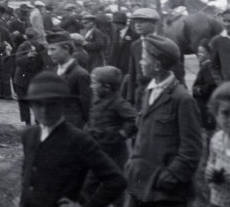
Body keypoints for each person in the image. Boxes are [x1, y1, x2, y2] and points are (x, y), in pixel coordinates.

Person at [19, 72, 127, 207]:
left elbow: (116, 179)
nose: (44, 111)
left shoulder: (78, 140)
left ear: (64, 104)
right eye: (38, 104)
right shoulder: (29, 134)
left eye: (52, 104)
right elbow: (28, 172)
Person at [124, 34, 202, 207]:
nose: (140, 62)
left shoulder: (182, 99)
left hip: (165, 192)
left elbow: (192, 148)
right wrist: (132, 163)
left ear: (157, 65)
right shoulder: (149, 91)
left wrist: (171, 176)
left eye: (144, 58)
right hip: (140, 183)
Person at [84, 66, 137, 205]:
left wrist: (123, 133)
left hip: (114, 154)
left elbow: (134, 119)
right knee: (88, 186)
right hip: (97, 151)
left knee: (115, 187)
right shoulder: (96, 99)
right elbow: (92, 120)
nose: (91, 86)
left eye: (94, 83)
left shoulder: (119, 103)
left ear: (106, 87)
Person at [123, 8, 186, 111]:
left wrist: (181, 90)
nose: (137, 25)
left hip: (162, 92)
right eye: (136, 22)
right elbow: (132, 74)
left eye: (142, 22)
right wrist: (130, 98)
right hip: (141, 95)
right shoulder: (135, 45)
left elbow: (178, 71)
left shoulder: (166, 44)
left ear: (154, 24)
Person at [46, 30, 92, 128]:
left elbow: (87, 107)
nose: (49, 53)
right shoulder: (55, 70)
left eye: (53, 49)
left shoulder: (80, 74)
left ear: (66, 49)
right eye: (48, 49)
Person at [13, 27, 48, 125]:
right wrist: (27, 57)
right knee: (23, 102)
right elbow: (17, 61)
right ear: (28, 39)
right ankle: (27, 122)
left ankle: (38, 121)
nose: (36, 41)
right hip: (21, 79)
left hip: (34, 78)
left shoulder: (40, 46)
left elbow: (43, 60)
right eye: (34, 39)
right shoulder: (22, 46)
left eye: (37, 38)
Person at [106, 12, 139, 76]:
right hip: (114, 66)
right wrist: (108, 61)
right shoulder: (114, 33)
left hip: (127, 68)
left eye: (115, 23)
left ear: (120, 23)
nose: (114, 25)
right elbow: (110, 48)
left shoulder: (134, 34)